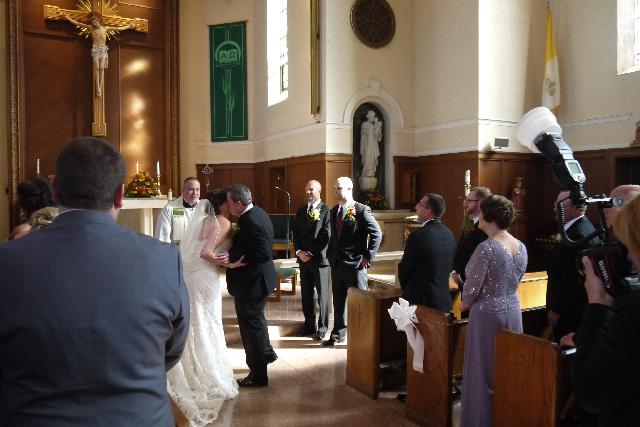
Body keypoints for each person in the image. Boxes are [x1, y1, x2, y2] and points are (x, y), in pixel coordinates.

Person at [0, 137, 189, 425]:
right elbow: (170, 351)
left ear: (54, 189)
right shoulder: (164, 260)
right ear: (120, 195)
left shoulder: (7, 260)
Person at [167, 190, 239, 426]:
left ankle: (193, 369)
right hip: (205, 277)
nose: (231, 205)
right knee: (208, 322)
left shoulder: (202, 220)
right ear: (222, 205)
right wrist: (230, 262)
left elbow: (192, 250)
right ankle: (207, 372)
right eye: (228, 201)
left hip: (191, 275)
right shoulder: (223, 222)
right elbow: (206, 252)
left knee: (195, 320)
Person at [459, 195, 527, 427]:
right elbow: (516, 279)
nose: (477, 216)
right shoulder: (521, 246)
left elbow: (472, 287)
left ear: (489, 216)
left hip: (487, 314)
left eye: (481, 212)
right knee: (508, 368)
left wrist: (464, 304)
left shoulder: (486, 248)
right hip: (513, 310)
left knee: (483, 371)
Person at [572, 195, 640, 424]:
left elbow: (591, 392)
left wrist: (597, 305)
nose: (629, 257)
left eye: (629, 247)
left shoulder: (634, 313)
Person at [212, 184, 278, 387]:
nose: (227, 204)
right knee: (257, 321)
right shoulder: (257, 212)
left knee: (251, 328)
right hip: (259, 280)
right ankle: (266, 353)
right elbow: (249, 244)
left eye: (229, 201)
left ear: (239, 203)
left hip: (252, 283)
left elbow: (262, 252)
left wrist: (235, 259)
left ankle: (258, 375)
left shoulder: (251, 220)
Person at [324, 177, 382, 346]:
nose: (336, 191)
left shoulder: (361, 210)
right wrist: (330, 255)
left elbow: (377, 234)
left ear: (349, 189)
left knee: (360, 305)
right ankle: (337, 335)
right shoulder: (334, 211)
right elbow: (334, 237)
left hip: (355, 265)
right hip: (337, 264)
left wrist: (367, 256)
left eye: (339, 188)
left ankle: (362, 340)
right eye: (335, 188)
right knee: (339, 302)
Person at [546, 190, 596, 342]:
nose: (554, 209)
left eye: (559, 206)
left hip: (571, 312)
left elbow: (572, 279)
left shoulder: (576, 235)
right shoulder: (585, 226)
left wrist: (557, 309)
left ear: (576, 207)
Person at [398, 193, 455, 311]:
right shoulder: (449, 233)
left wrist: (407, 289)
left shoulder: (418, 236)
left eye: (420, 204)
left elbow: (405, 269)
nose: (416, 207)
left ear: (428, 212)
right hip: (443, 300)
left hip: (422, 302)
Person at [292, 179, 331, 340]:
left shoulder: (326, 210)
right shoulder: (301, 211)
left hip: (319, 260)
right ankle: (309, 326)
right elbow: (296, 234)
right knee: (306, 294)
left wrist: (310, 253)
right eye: (307, 189)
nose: (308, 192)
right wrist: (299, 252)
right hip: (303, 260)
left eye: (312, 189)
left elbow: (326, 236)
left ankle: (322, 328)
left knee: (322, 296)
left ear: (319, 191)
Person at [62, 12, 134, 97]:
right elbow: (78, 24)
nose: (94, 24)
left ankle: (100, 86)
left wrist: (129, 26)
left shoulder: (106, 28)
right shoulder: (91, 28)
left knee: (101, 68)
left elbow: (118, 28)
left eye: (95, 22)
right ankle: (97, 88)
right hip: (96, 49)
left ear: (98, 21)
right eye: (92, 23)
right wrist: (68, 18)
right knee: (96, 67)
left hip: (103, 49)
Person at [451, 186, 492, 291]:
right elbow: (461, 248)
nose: (465, 204)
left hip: (475, 284)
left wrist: (462, 276)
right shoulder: (470, 223)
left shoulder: (486, 227)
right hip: (462, 283)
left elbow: (479, 257)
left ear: (481, 202)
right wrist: (454, 271)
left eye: (469, 201)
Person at [155, 177, 201, 244]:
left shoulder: (204, 208)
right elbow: (162, 236)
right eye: (191, 189)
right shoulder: (170, 208)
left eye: (197, 189)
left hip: (199, 249)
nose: (195, 193)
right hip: (177, 249)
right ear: (183, 191)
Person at [360, 110, 382, 180]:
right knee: (367, 156)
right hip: (367, 142)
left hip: (374, 142)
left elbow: (379, 138)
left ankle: (371, 174)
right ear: (368, 116)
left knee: (373, 157)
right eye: (371, 116)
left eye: (373, 116)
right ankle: (365, 173)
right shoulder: (364, 124)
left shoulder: (374, 125)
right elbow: (363, 135)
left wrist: (377, 127)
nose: (373, 117)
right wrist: (364, 144)